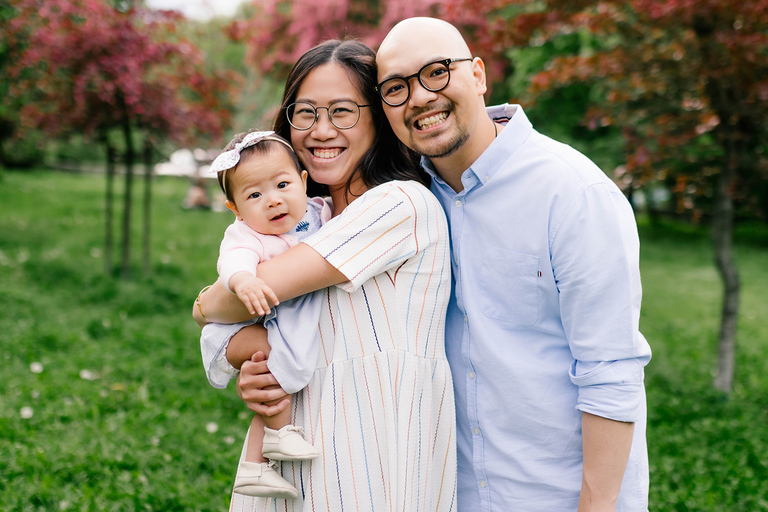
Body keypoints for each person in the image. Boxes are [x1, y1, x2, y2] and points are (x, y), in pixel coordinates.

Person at [374, 17, 652, 512]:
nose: (418, 97)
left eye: (436, 72)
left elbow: (611, 370)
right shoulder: (405, 205)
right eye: (396, 88)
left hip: (558, 497)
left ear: (478, 75)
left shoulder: (571, 192)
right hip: (447, 494)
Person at [193, 39, 457, 512]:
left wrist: (204, 305)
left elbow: (235, 299)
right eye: (306, 112)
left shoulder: (399, 204)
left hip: (371, 450)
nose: (321, 130)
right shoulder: (305, 222)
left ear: (378, 116)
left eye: (342, 111)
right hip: (299, 446)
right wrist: (260, 366)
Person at [201, 129, 332, 499]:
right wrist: (243, 280)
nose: (273, 201)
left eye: (283, 185)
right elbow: (233, 260)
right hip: (242, 326)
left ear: (304, 182)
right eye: (255, 195)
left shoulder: (317, 213)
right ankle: (278, 434)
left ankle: (255, 466)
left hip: (280, 319)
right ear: (236, 210)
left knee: (273, 368)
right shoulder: (248, 235)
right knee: (276, 361)